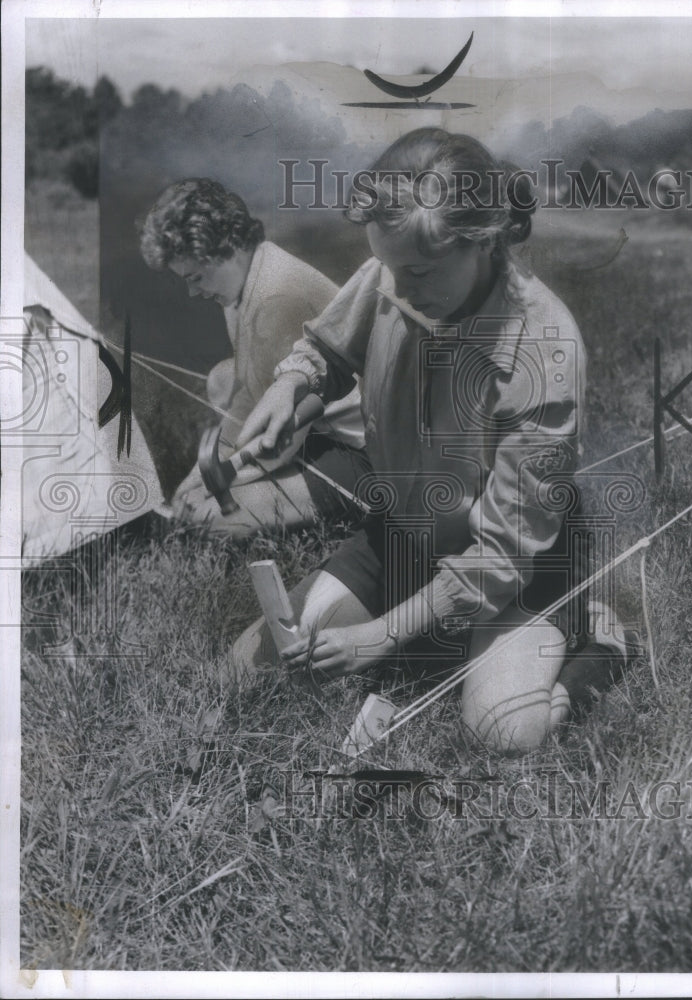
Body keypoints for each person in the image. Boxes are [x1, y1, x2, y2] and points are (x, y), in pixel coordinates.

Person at [231, 129, 631, 754]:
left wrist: (384, 634)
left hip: (516, 564)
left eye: (417, 273)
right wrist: (291, 387)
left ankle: (597, 639)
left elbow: (503, 556)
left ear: (485, 242)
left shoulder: (544, 346)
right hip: (405, 528)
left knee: (504, 731)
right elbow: (328, 350)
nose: (398, 289)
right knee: (251, 671)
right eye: (388, 269)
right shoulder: (396, 266)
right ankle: (434, 639)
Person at [139, 178, 370, 534]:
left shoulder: (275, 300)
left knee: (212, 520)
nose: (192, 291)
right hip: (317, 425)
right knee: (223, 377)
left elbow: (280, 441)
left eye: (196, 277)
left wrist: (217, 482)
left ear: (226, 247)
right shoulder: (249, 275)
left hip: (366, 451)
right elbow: (252, 391)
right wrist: (202, 471)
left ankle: (345, 506)